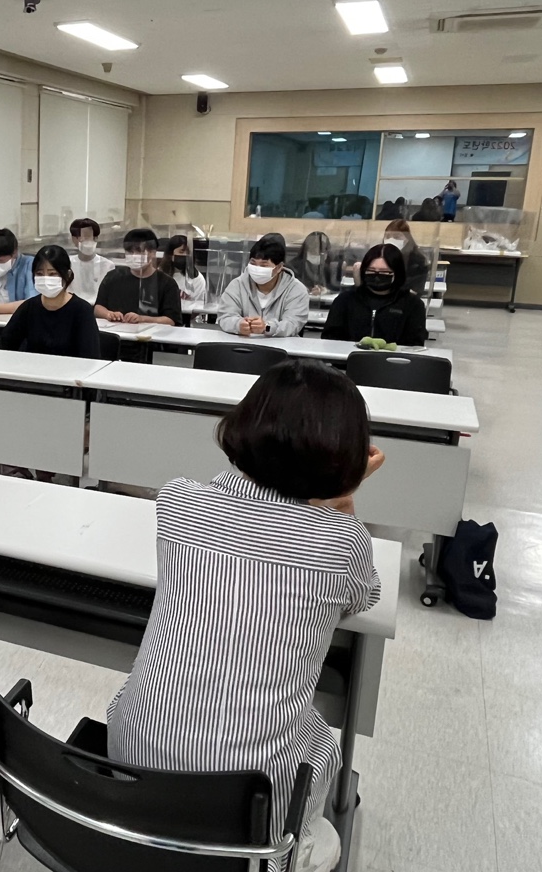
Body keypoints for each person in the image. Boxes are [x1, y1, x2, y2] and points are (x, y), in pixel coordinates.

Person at [106, 359, 383, 872]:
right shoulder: (342, 542)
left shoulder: (178, 500)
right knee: (322, 753)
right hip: (247, 809)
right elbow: (361, 598)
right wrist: (339, 501)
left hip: (134, 757)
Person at [0, 245, 100, 358]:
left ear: (67, 275)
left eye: (52, 274)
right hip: (33, 367)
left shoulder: (82, 311)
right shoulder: (29, 307)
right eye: (39, 274)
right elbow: (5, 345)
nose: (46, 279)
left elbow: (91, 357)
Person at [321, 244, 429, 346]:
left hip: (393, 359)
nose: (377, 276)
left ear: (397, 273)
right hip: (349, 358)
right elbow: (329, 338)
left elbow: (415, 345)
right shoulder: (345, 300)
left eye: (384, 272)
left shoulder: (413, 305)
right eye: (371, 271)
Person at [216, 235, 310, 338]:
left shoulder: (296, 290)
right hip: (244, 344)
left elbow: (293, 324)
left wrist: (267, 327)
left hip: (281, 346)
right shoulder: (237, 285)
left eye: (264, 265)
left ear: (279, 267)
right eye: (253, 263)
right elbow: (225, 316)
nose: (257, 268)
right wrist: (238, 325)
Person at [93, 228, 183, 327]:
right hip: (115, 333)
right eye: (130, 252)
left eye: (139, 251)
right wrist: (108, 314)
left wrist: (142, 319)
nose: (134, 256)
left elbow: (171, 320)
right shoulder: (113, 276)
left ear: (152, 253)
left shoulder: (167, 283)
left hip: (150, 335)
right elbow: (98, 308)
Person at [68, 217, 115, 303]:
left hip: (98, 307)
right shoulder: (67, 263)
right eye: (83, 237)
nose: (88, 241)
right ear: (74, 239)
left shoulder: (108, 265)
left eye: (92, 237)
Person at [159, 234, 208, 312]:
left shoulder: (197, 279)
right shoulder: (160, 275)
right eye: (181, 252)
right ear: (171, 255)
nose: (185, 255)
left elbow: (199, 307)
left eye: (188, 252)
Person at [383, 219, 431, 297]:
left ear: (407, 239)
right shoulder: (378, 256)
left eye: (396, 237)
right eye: (388, 236)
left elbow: (416, 290)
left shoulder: (418, 261)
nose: (391, 240)